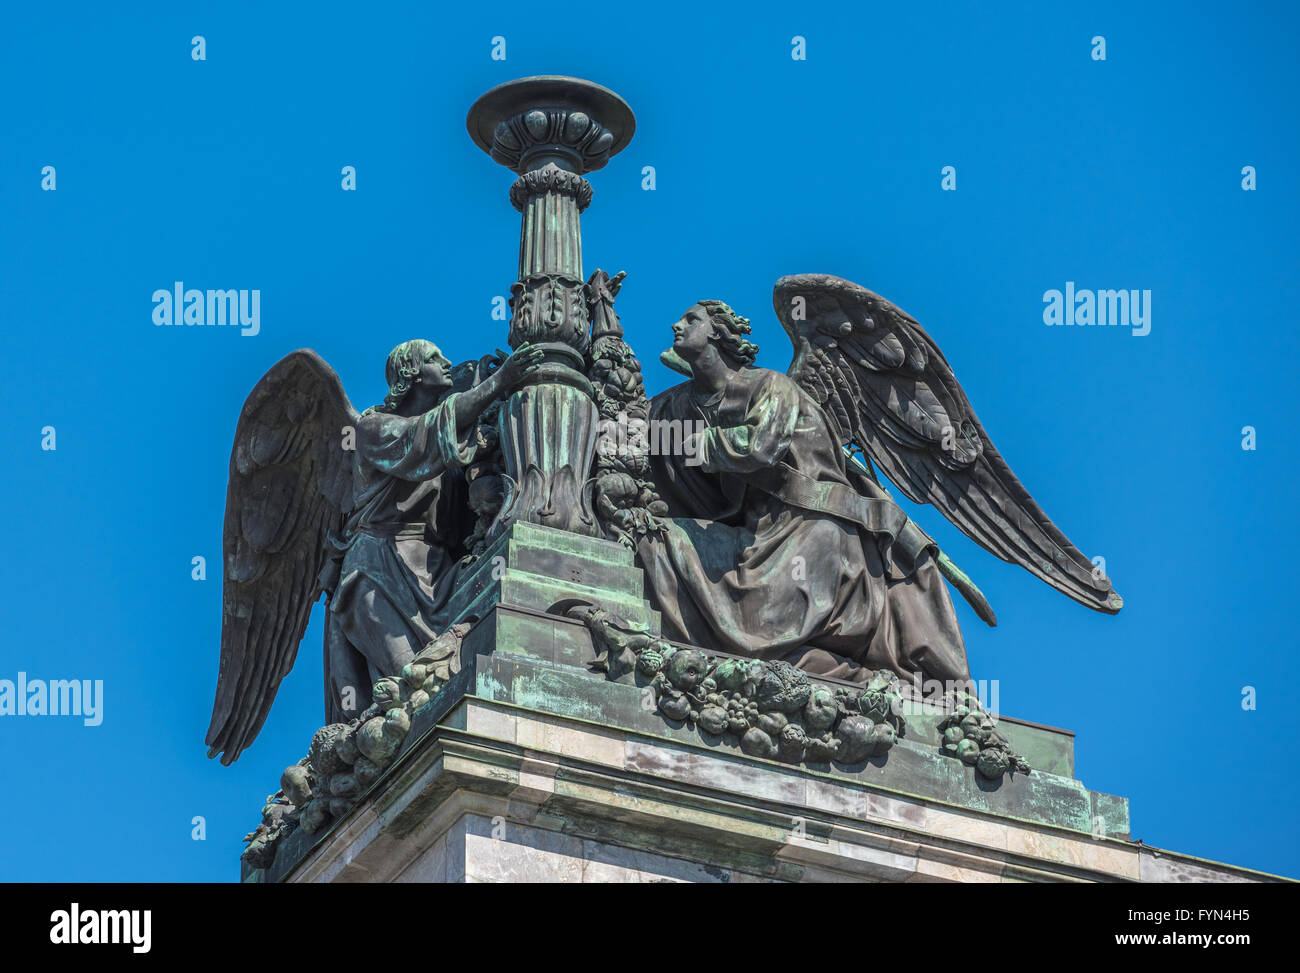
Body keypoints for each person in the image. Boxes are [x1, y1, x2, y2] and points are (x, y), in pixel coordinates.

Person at [638, 301, 971, 687]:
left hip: (814, 531)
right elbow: (632, 427)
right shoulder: (679, 403)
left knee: (756, 618)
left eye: (691, 319)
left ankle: (836, 675)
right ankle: (819, 672)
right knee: (657, 540)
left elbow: (759, 447)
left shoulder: (770, 386)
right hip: (761, 533)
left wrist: (699, 444)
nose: (676, 325)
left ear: (717, 332)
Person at [323, 339, 541, 721]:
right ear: (411, 373)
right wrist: (499, 382)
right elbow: (425, 437)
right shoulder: (372, 429)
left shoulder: (452, 451)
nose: (447, 362)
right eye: (435, 358)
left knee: (461, 675)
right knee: (415, 690)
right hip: (378, 572)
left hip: (438, 573)